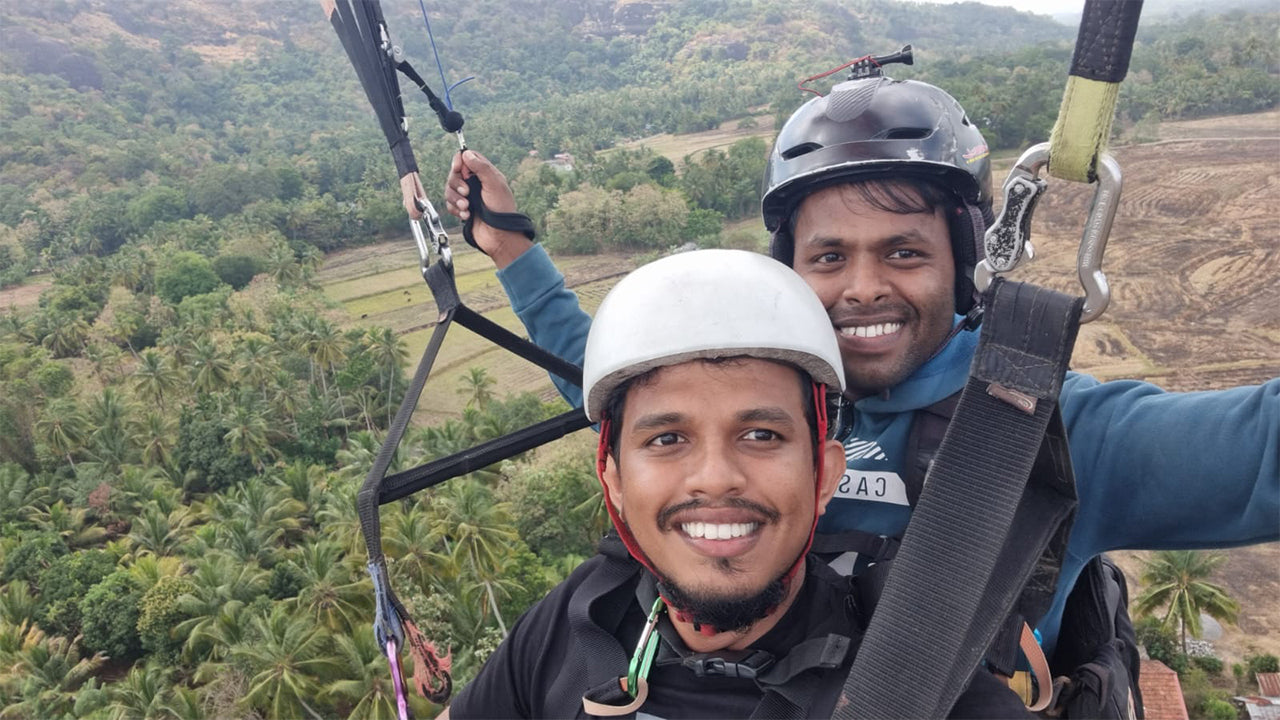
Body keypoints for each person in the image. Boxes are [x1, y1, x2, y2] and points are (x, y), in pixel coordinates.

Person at [443, 71, 1278, 701]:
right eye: (828, 257)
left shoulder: (1052, 430)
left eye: (904, 252)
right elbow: (603, 379)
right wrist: (514, 252)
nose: (862, 287)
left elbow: (1258, 454)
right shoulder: (763, 409)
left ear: (964, 263)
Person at [442, 249, 1029, 718]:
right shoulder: (584, 614)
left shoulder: (910, 685)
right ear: (614, 480)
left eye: (761, 436)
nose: (716, 478)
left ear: (825, 473)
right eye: (668, 440)